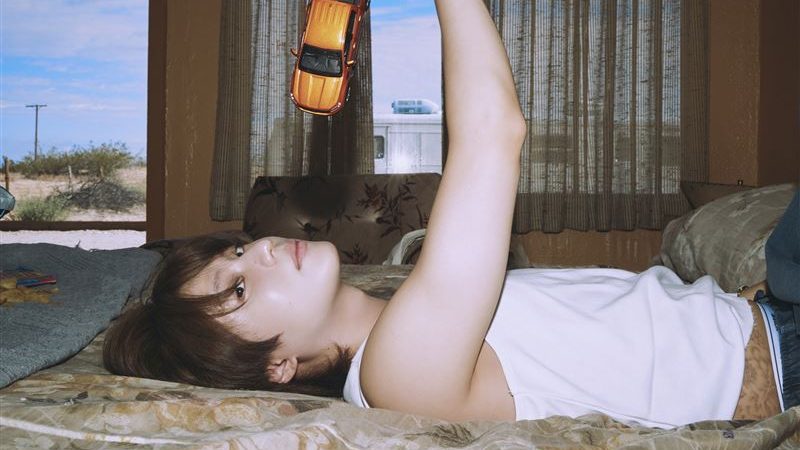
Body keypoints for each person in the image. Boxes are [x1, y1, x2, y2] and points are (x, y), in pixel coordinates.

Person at [103, 0, 793, 428]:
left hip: (760, 312)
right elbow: (495, 132)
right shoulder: (396, 373)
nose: (256, 251)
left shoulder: (402, 318)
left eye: (234, 252)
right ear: (277, 366)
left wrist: (739, 303)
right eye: (237, 289)